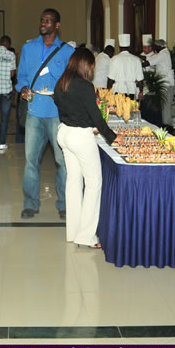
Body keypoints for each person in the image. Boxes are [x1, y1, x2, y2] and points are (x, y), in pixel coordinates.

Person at [53, 49, 122, 248]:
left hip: (64, 133)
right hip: (80, 137)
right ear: (87, 65)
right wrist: (112, 138)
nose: (93, 69)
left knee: (73, 181)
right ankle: (87, 236)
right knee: (93, 184)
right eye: (92, 65)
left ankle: (73, 232)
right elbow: (96, 117)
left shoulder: (62, 82)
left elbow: (60, 103)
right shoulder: (84, 86)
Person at [16, 8, 74, 219]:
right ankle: (31, 203)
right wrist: (22, 88)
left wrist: (57, 80)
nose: (43, 23)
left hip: (57, 113)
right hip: (34, 111)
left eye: (48, 21)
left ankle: (65, 204)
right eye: (42, 20)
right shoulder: (28, 47)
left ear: (57, 25)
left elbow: (71, 81)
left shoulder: (67, 51)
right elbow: (21, 76)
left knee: (62, 161)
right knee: (31, 161)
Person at [144, 38, 175, 128]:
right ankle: (165, 125)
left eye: (155, 47)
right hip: (165, 84)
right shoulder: (163, 53)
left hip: (167, 85)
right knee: (164, 107)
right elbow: (151, 59)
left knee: (166, 107)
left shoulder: (163, 54)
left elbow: (147, 63)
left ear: (158, 47)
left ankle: (167, 127)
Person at [107, 33, 143, 99]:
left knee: (118, 109)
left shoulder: (114, 59)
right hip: (131, 91)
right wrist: (141, 92)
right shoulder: (136, 59)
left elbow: (110, 78)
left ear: (119, 48)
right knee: (130, 108)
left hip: (118, 90)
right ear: (129, 47)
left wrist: (108, 90)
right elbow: (140, 79)